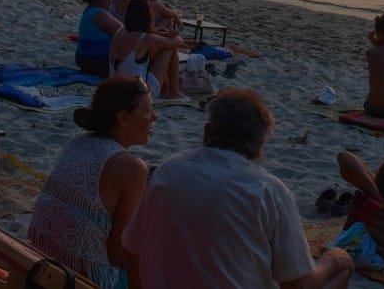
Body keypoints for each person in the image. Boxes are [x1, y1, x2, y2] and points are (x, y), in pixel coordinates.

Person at [123, 88, 354, 288]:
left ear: (206, 132)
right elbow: (298, 285)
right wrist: (333, 259)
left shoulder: (168, 170)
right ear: (259, 146)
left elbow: (133, 250)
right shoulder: (269, 190)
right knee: (342, 268)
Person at [28, 77, 153, 288]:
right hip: (82, 278)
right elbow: (117, 255)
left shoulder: (78, 141)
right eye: (148, 111)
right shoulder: (132, 168)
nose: (154, 118)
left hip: (40, 260)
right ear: (123, 118)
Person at [109, 0, 186, 100]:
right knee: (170, 48)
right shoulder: (145, 38)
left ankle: (168, 89)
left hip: (119, 88)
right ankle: (174, 91)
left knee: (153, 53)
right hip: (140, 93)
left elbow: (143, 36)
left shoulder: (120, 31)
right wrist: (175, 34)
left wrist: (158, 32)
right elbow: (178, 42)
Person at [76, 0, 124, 77]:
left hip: (84, 59)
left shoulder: (89, 10)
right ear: (98, 0)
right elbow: (123, 32)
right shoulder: (100, 14)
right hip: (96, 61)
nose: (111, 0)